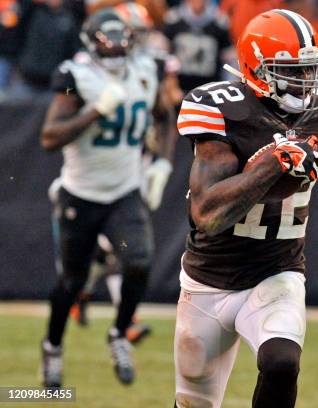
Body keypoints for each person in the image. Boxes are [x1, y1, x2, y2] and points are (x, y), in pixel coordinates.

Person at [174, 9, 318, 408]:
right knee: (194, 403)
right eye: (291, 71)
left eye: (311, 69)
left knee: (282, 362)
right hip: (209, 278)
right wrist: (272, 164)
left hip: (278, 269)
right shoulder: (222, 108)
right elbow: (206, 214)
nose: (306, 82)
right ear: (255, 69)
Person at [39, 8, 174, 388]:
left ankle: (118, 334)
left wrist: (161, 163)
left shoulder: (147, 70)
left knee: (138, 261)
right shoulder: (74, 78)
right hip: (80, 195)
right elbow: (50, 136)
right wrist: (94, 111)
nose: (115, 52)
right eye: (107, 46)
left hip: (124, 193)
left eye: (121, 45)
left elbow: (164, 116)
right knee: (71, 281)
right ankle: (52, 346)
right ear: (92, 45)